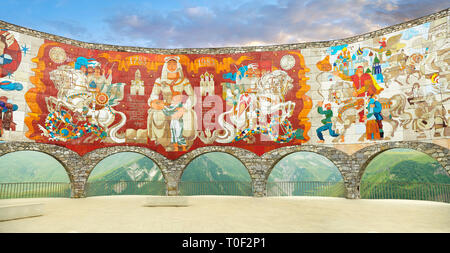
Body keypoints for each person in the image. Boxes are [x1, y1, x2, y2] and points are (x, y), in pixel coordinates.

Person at [147, 56, 197, 151]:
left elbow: (192, 96)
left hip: (179, 106)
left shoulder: (184, 81)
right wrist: (154, 103)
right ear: (165, 66)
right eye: (169, 64)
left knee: (189, 114)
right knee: (157, 114)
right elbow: (154, 94)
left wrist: (184, 108)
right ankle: (164, 142)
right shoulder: (159, 81)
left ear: (178, 66)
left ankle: (184, 141)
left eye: (174, 64)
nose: (172, 66)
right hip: (165, 106)